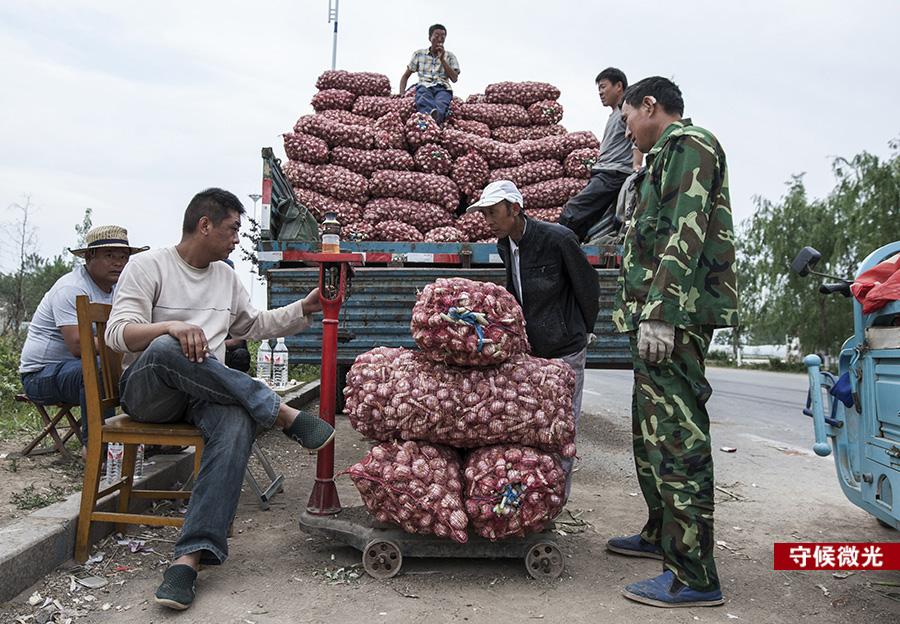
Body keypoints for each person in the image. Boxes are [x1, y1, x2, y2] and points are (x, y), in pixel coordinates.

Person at [105, 188, 334, 611]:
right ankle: (279, 412)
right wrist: (170, 327)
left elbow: (255, 325)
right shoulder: (147, 265)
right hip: (150, 390)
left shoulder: (226, 277)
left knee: (235, 421)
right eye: (232, 230)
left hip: (203, 392)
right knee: (167, 349)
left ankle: (188, 558)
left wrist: (305, 306)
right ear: (204, 224)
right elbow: (118, 334)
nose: (236, 239)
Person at [608, 76, 738, 608]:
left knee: (678, 439)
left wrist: (660, 313)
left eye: (627, 118)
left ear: (650, 105)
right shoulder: (657, 160)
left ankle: (694, 575)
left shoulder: (691, 145)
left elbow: (686, 229)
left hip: (674, 318)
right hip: (655, 314)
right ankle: (662, 534)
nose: (625, 128)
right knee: (650, 434)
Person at [466, 180, 599, 498]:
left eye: (493, 212)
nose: (488, 220)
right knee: (533, 422)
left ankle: (556, 498)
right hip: (532, 350)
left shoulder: (558, 239)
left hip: (565, 349)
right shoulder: (504, 245)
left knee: (562, 424)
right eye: (484, 214)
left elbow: (588, 286)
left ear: (515, 209)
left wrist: (582, 328)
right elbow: (515, 290)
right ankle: (532, 494)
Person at [19, 225, 148, 455]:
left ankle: (151, 441)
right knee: (98, 368)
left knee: (146, 367)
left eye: (123, 257)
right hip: (41, 374)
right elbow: (79, 346)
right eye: (109, 256)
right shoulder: (71, 288)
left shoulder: (119, 289)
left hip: (81, 370)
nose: (118, 262)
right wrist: (130, 341)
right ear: (89, 256)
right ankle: (98, 448)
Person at [560, 67, 643, 242]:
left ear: (618, 86)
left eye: (603, 86)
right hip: (604, 172)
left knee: (572, 210)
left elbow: (636, 140)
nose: (600, 92)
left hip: (613, 173)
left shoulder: (625, 113)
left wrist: (636, 167)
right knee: (591, 221)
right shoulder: (614, 114)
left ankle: (558, 244)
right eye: (599, 88)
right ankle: (575, 245)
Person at [399, 23, 460, 125]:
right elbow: (405, 76)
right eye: (436, 36)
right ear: (430, 38)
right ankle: (433, 120)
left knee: (441, 103)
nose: (440, 39)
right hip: (424, 86)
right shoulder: (419, 54)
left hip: (443, 87)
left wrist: (442, 60)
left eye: (443, 37)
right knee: (423, 98)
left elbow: (454, 78)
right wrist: (402, 93)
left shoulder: (450, 56)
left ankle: (431, 120)